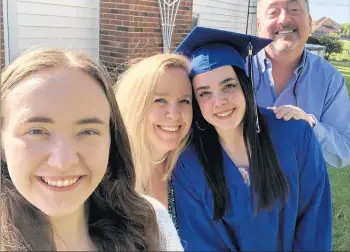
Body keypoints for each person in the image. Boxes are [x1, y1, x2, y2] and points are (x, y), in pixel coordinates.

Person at [1, 48, 183, 251]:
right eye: (36, 131)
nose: (63, 161)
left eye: (87, 131)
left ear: (111, 139)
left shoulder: (153, 225)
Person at [172, 26, 332, 251]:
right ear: (196, 101)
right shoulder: (188, 162)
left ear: (245, 85)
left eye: (228, 85)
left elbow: (314, 221)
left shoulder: (295, 134)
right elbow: (200, 240)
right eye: (204, 93)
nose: (219, 102)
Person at [252, 0, 350, 168]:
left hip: (302, 193)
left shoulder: (330, 79)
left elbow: (345, 150)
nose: (284, 19)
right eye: (273, 13)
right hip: (237, 191)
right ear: (259, 26)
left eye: (294, 9)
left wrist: (310, 125)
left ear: (310, 21)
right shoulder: (235, 69)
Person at [115, 53, 192, 229]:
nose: (174, 114)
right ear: (136, 104)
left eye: (184, 101)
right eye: (160, 100)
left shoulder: (186, 172)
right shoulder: (109, 176)